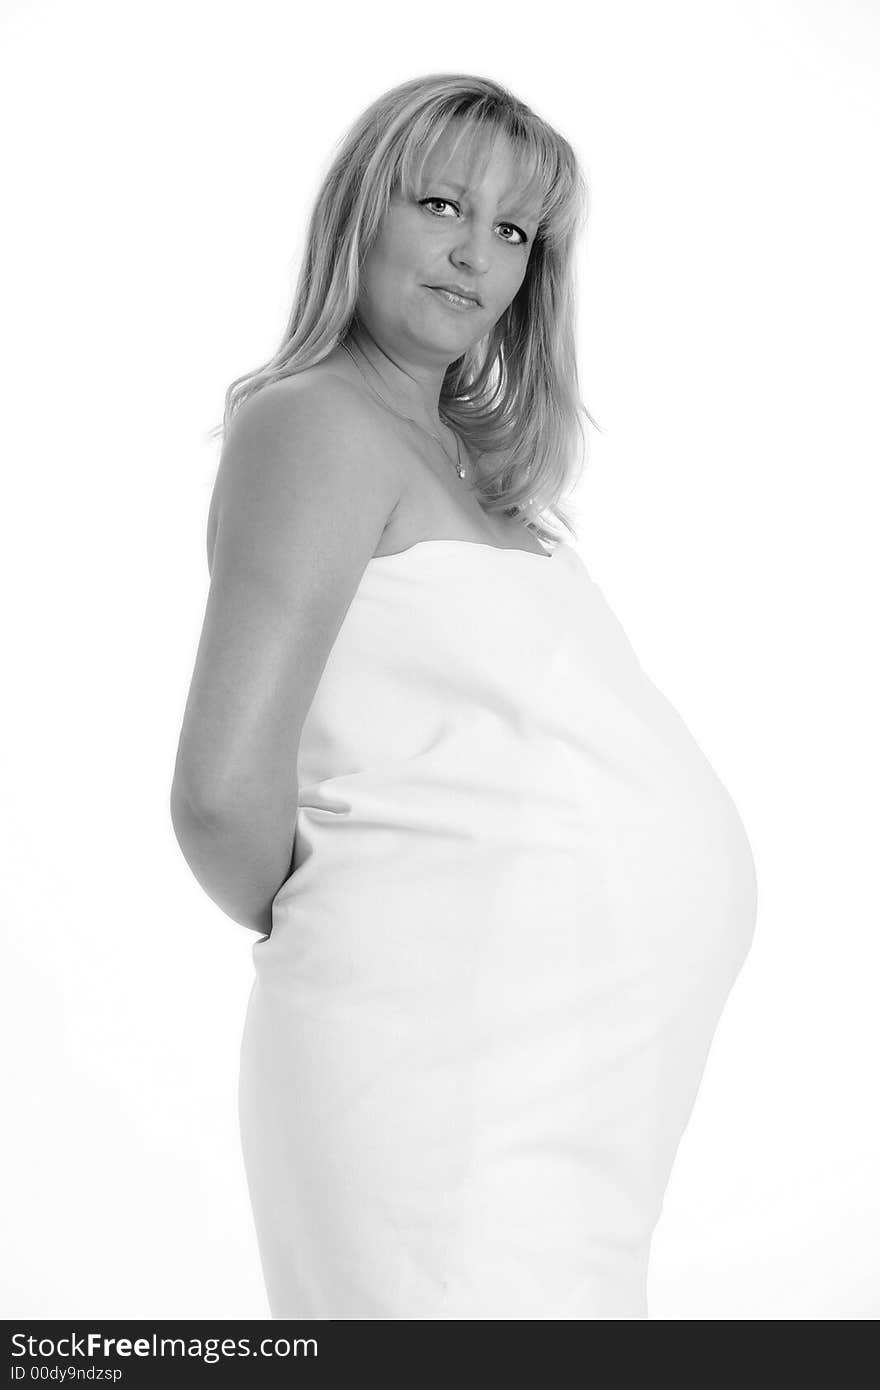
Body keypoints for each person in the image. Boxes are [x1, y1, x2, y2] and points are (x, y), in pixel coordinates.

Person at [170, 73, 758, 1320]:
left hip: (560, 1094)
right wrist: (382, 917)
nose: (476, 252)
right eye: (441, 202)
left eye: (513, 231)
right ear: (360, 215)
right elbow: (223, 797)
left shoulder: (466, 470)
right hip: (436, 1077)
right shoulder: (315, 422)